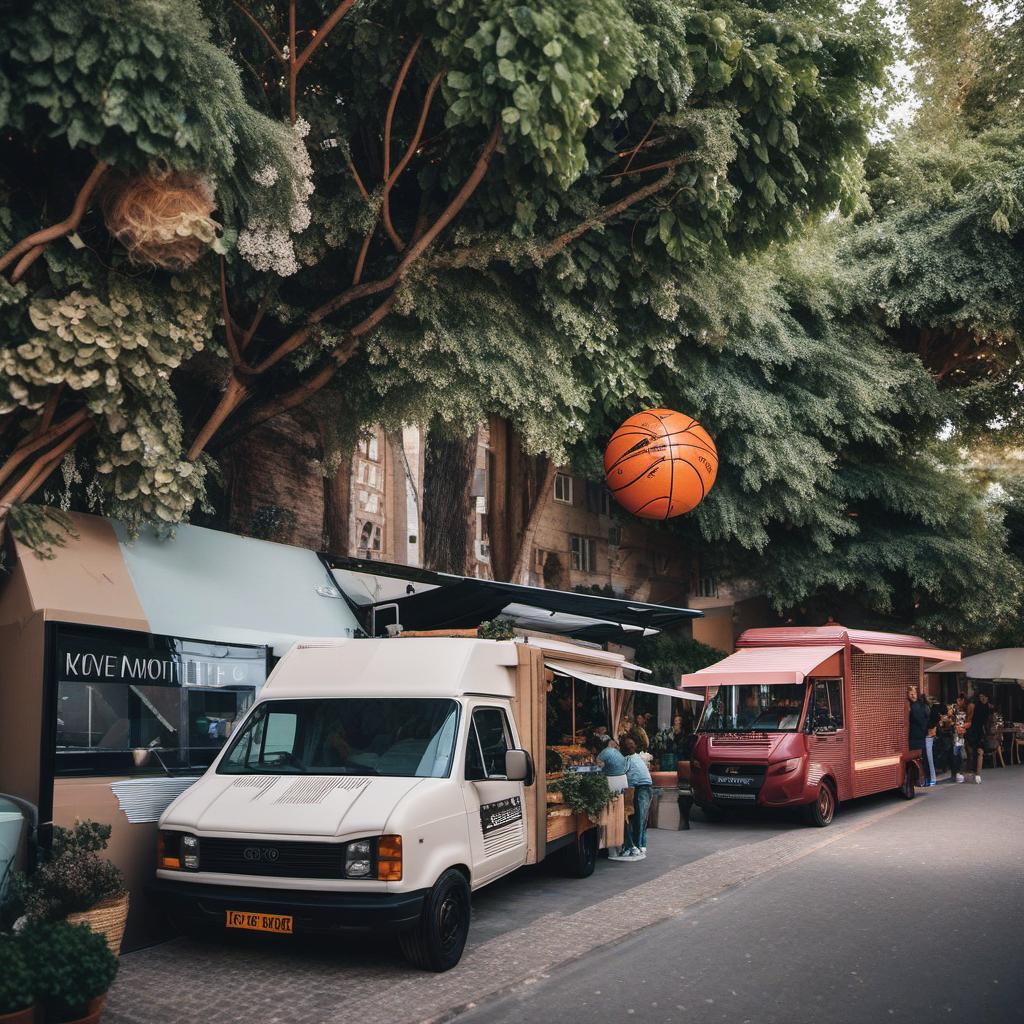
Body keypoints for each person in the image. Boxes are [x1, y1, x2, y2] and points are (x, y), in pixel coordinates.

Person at [591, 735, 641, 862]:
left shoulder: (603, 753)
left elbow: (597, 768)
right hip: (622, 782)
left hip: (612, 782)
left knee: (612, 815)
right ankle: (624, 846)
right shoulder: (616, 752)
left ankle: (621, 845)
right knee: (621, 815)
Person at [623, 737, 653, 854]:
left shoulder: (629, 759)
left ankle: (639, 845)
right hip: (640, 787)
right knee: (640, 817)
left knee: (641, 817)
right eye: (628, 744)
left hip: (642, 787)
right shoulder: (634, 758)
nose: (630, 746)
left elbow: (623, 773)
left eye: (631, 744)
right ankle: (639, 844)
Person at [966, 691, 993, 783]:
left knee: (979, 752)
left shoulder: (988, 707)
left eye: (984, 696)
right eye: (981, 696)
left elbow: (989, 721)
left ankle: (978, 774)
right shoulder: (976, 706)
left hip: (981, 732)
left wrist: (988, 732)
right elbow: (971, 719)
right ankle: (971, 772)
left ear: (987, 697)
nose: (982, 698)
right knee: (972, 752)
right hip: (974, 731)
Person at [941, 694, 968, 783]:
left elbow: (965, 721)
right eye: (959, 700)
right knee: (957, 754)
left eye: (962, 701)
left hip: (961, 735)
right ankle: (956, 774)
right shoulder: (953, 707)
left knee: (960, 755)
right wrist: (952, 722)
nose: (961, 702)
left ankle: (959, 774)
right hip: (955, 735)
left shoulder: (965, 709)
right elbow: (947, 717)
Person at [907, 685, 929, 784]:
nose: (913, 695)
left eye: (914, 693)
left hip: (916, 736)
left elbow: (921, 720)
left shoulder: (915, 706)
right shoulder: (920, 705)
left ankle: (922, 779)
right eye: (911, 693)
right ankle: (924, 779)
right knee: (922, 758)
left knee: (917, 759)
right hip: (919, 736)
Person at [922, 695, 941, 787]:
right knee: (928, 758)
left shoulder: (932, 710)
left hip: (929, 735)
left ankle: (933, 778)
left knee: (929, 758)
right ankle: (931, 778)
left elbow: (933, 721)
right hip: (929, 735)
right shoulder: (930, 709)